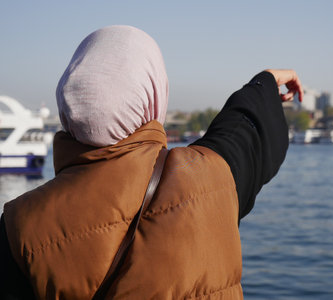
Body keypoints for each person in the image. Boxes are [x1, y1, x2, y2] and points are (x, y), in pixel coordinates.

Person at [0, 25, 303, 299]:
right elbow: (239, 134)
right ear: (153, 92)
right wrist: (263, 85)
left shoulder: (20, 224)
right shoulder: (210, 178)